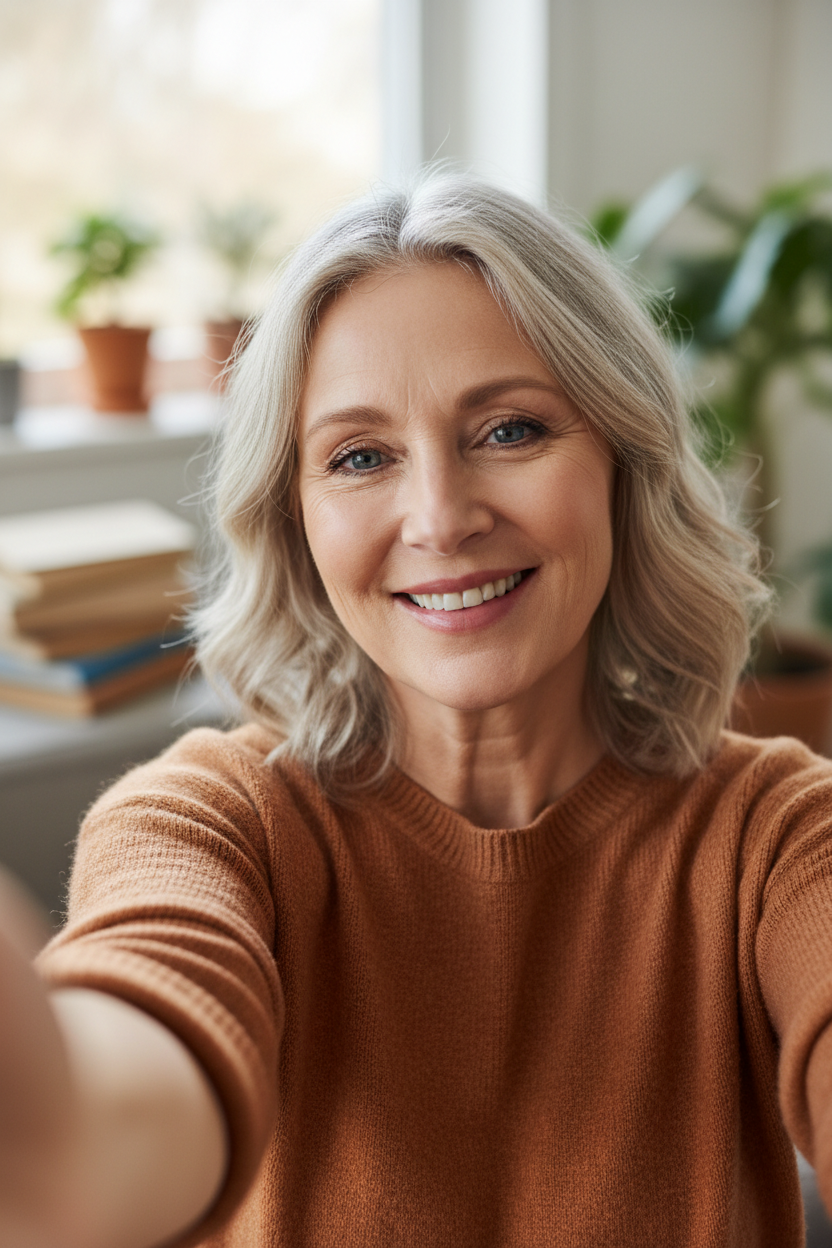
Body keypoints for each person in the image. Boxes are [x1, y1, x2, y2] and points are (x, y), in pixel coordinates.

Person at [2, 171, 832, 1248]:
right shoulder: (203, 824)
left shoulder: (778, 835)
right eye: (359, 457)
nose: (439, 518)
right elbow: (91, 1155)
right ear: (294, 521)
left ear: (624, 467)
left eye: (510, 431)